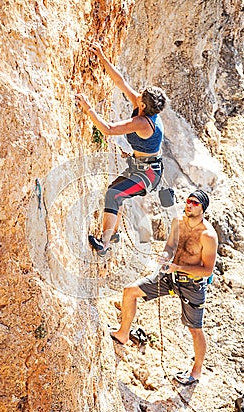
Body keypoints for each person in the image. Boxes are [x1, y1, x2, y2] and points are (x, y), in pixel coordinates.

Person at [110, 190, 218, 385]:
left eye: (194, 203)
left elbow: (207, 270)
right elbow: (170, 246)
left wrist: (178, 267)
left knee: (195, 329)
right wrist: (166, 258)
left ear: (202, 208)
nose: (189, 205)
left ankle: (196, 372)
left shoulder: (208, 235)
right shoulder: (178, 222)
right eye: (188, 201)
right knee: (130, 291)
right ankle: (123, 334)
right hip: (169, 276)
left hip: (192, 286)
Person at [75, 42, 168, 256]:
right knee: (116, 193)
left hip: (148, 173)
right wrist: (101, 57)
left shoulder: (143, 123)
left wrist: (87, 107)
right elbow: (121, 82)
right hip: (141, 164)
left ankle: (105, 244)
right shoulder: (144, 106)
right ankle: (113, 233)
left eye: (141, 95)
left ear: (144, 106)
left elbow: (107, 129)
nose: (138, 94)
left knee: (114, 194)